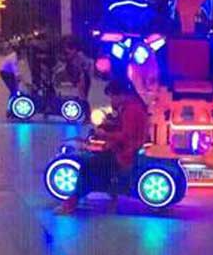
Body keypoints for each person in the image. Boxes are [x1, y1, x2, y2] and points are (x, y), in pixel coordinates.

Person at [55, 81, 149, 214]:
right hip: (124, 150)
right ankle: (110, 193)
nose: (111, 101)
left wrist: (105, 135)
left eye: (112, 97)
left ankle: (71, 203)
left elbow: (126, 136)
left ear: (121, 95)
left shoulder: (131, 111)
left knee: (88, 166)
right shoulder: (131, 107)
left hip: (124, 154)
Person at [62, 35, 91, 101]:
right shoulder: (68, 61)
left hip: (81, 80)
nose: (66, 51)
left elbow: (86, 68)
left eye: (70, 48)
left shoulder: (81, 58)